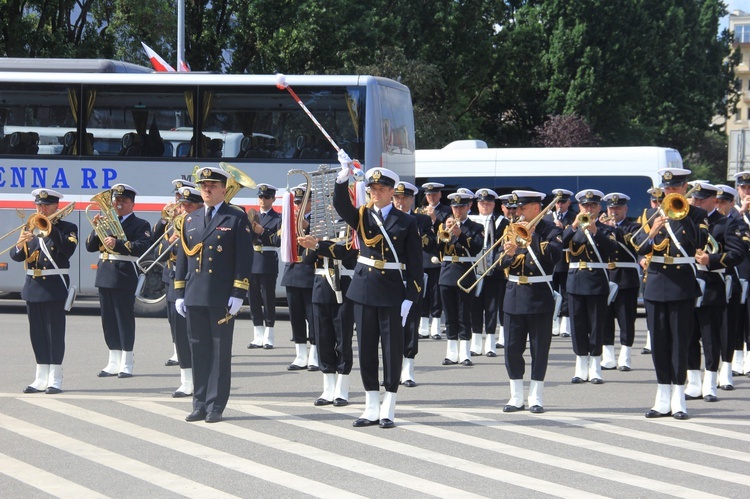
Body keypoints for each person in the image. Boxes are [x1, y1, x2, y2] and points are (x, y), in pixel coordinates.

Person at [334, 152, 423, 429]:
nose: (375, 193)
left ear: (392, 192)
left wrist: (411, 297)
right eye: (372, 189)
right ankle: (371, 405)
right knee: (367, 349)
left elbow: (415, 265)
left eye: (382, 189)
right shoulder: (362, 215)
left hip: (392, 291)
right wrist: (343, 177)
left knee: (392, 349)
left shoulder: (406, 222)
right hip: (362, 289)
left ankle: (389, 405)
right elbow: (340, 206)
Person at [174, 166, 253, 423]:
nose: (206, 190)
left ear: (223, 189)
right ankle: (198, 403)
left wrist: (238, 292)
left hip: (221, 296)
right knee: (198, 350)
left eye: (212, 186)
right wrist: (179, 292)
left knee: (220, 352)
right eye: (203, 186)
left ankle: (215, 405)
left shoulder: (235, 217)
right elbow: (184, 259)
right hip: (195, 294)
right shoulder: (190, 219)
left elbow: (244, 258)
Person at [633, 167, 707, 420]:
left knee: (680, 342)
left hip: (681, 285)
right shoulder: (650, 214)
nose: (670, 192)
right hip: (655, 284)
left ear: (684, 188)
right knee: (660, 343)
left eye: (675, 188)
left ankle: (678, 398)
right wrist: (651, 230)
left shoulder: (697, 213)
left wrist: (682, 213)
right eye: (667, 188)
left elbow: (700, 242)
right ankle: (662, 397)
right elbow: (636, 246)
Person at [498, 190, 562, 413]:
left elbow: (556, 256)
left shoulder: (551, 229)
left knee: (539, 349)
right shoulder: (510, 229)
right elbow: (498, 264)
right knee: (512, 349)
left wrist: (533, 238)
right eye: (516, 208)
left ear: (537, 208)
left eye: (523, 208)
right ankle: (516, 396)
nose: (518, 212)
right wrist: (508, 254)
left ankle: (536, 396)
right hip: (514, 294)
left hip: (539, 295)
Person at [11, 189, 78, 394]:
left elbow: (68, 251)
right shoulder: (29, 226)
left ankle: (55, 378)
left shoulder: (68, 227)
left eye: (46, 205)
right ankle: (40, 376)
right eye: (39, 205)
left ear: (56, 206)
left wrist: (50, 230)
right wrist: (20, 243)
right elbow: (16, 257)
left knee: (54, 333)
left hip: (54, 286)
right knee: (37, 334)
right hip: (33, 286)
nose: (42, 209)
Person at [684, 183, 744, 402]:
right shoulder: (685, 221)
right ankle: (693, 382)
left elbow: (738, 253)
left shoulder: (725, 223)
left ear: (713, 200)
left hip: (711, 285)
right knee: (689, 336)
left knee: (711, 338)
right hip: (687, 285)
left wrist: (713, 260)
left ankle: (710, 384)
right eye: (695, 199)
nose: (696, 203)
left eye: (701, 200)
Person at [85, 183, 151, 378]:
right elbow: (90, 247)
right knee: (108, 320)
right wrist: (96, 228)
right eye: (116, 200)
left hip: (123, 274)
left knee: (124, 319)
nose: (118, 204)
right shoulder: (107, 221)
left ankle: (127, 361)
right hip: (105, 274)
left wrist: (118, 243)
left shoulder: (141, 224)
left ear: (132, 204)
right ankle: (113, 360)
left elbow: (142, 247)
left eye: (123, 201)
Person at [562, 189, 618, 385]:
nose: (589, 208)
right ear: (579, 207)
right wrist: (575, 225)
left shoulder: (606, 230)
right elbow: (561, 243)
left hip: (596, 281)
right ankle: (580, 366)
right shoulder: (573, 229)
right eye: (585, 206)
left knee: (596, 325)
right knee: (577, 325)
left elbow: (613, 250)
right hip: (576, 280)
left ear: (599, 207)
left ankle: (595, 367)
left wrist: (595, 231)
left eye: (593, 205)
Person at [297, 231, 357, 407]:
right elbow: (307, 260)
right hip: (321, 287)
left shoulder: (351, 228)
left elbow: (345, 251)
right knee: (323, 338)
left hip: (344, 285)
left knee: (343, 339)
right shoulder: (318, 232)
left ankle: (342, 389)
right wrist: (313, 245)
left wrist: (318, 245)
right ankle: (328, 388)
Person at [160, 186, 203, 397]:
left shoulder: (204, 224)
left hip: (198, 283)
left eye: (190, 205)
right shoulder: (173, 225)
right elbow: (158, 252)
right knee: (180, 334)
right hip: (175, 283)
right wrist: (169, 239)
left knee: (199, 336)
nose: (185, 209)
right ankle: (186, 381)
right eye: (182, 204)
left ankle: (203, 380)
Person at [393, 181, 436, 386]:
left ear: (412, 199)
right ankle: (392, 367)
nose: (401, 202)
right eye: (397, 198)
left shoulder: (422, 220)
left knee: (411, 324)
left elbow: (432, 245)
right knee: (389, 324)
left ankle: (408, 369)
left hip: (411, 276)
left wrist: (418, 235)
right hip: (390, 277)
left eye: (405, 198)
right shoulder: (386, 218)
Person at [152, 178, 196, 367]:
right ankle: (178, 349)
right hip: (171, 273)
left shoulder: (196, 220)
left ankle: (191, 351)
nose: (178, 202)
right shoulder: (172, 221)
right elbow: (156, 247)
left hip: (190, 275)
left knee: (190, 318)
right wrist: (167, 227)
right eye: (177, 196)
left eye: (182, 198)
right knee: (173, 317)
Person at [437, 192, 484, 366]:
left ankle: (465, 352)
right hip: (447, 273)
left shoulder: (476, 226)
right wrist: (444, 229)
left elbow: (476, 248)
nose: (458, 210)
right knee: (449, 315)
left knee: (464, 314)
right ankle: (451, 352)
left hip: (465, 273)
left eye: (461, 207)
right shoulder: (444, 225)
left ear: (469, 206)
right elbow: (437, 248)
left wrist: (461, 234)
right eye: (455, 207)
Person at [600, 193, 641, 371]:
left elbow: (633, 243)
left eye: (617, 208)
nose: (614, 211)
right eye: (611, 208)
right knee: (605, 318)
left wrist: (611, 229)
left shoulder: (635, 226)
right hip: (606, 276)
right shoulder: (600, 227)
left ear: (625, 209)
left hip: (626, 277)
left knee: (626, 319)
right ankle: (608, 356)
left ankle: (625, 356)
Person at [283, 184, 318, 371]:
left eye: (303, 202)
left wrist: (308, 227)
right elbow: (276, 239)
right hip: (292, 272)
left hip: (310, 273)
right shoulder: (289, 219)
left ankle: (315, 354)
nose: (299, 206)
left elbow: (324, 241)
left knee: (313, 316)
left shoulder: (319, 221)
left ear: (312, 202)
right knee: (295, 316)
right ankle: (300, 354)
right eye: (297, 202)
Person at [470, 188, 509, 357]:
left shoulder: (503, 222)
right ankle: (476, 342)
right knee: (475, 307)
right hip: (474, 270)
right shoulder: (471, 221)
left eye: (488, 203)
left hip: (495, 271)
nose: (485, 206)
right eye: (482, 203)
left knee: (492, 307)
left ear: (494, 204)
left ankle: (491, 342)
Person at [714, 184, 746, 389]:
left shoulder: (737, 223)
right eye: (715, 202)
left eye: (723, 202)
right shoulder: (703, 222)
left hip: (727, 279)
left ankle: (725, 370)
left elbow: (737, 253)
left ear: (732, 203)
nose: (719, 206)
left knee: (727, 328)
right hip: (704, 282)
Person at [247, 183, 282, 350]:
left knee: (268, 299)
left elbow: (278, 241)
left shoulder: (278, 218)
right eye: (260, 197)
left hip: (267, 259)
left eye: (267, 197)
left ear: (273, 199)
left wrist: (263, 232)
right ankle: (257, 335)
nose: (263, 200)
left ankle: (269, 335)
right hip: (252, 259)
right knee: (253, 299)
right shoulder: (251, 215)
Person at [419, 182, 451, 340]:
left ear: (440, 195)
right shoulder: (419, 211)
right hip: (423, 256)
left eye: (434, 194)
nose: (431, 197)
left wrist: (434, 219)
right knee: (423, 292)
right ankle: (423, 325)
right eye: (428, 195)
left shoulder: (447, 211)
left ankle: (436, 325)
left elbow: (447, 232)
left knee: (436, 293)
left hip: (437, 255)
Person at [639, 186, 665, 355]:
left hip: (668, 266)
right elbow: (639, 242)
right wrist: (640, 259)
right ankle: (651, 339)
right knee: (650, 308)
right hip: (650, 267)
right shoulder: (647, 216)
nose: (657, 205)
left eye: (660, 201)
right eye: (654, 201)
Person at [547, 189, 576, 337]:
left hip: (566, 259)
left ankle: (566, 323)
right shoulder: (547, 218)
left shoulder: (574, 217)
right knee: (552, 291)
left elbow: (572, 238)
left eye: (563, 202)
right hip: (551, 260)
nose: (559, 205)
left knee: (565, 292)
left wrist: (561, 229)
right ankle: (554, 321)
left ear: (568, 203)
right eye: (557, 202)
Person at [731, 171, 750, 377]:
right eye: (743, 188)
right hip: (739, 268)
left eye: (749, 187)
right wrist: (743, 211)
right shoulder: (734, 212)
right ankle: (736, 358)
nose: (747, 191)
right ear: (737, 190)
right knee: (736, 314)